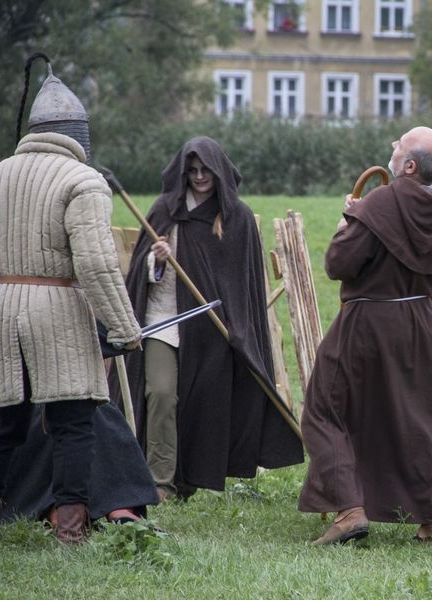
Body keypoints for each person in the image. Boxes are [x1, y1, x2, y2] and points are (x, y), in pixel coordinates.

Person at [0, 56, 142, 544]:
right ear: (78, 134)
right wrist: (124, 327)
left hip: (2, 309)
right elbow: (97, 264)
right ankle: (70, 532)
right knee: (73, 423)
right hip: (58, 309)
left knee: (5, 421)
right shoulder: (82, 181)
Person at [298, 126, 432, 545]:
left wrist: (347, 222)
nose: (392, 146)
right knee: (413, 417)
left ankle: (350, 510)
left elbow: (339, 263)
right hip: (417, 321)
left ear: (409, 166)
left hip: (368, 320)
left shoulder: (382, 201)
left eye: (400, 145)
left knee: (323, 407)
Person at [115, 136, 303, 502]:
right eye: (193, 171)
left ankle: (188, 480)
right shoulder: (164, 212)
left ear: (219, 172)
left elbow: (243, 282)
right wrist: (155, 260)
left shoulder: (238, 218)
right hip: (163, 322)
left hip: (211, 331)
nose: (200, 177)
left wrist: (241, 328)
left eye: (206, 171)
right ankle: (161, 482)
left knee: (203, 403)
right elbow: (139, 273)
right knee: (162, 394)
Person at [0, 349, 159, 526]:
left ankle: (104, 508)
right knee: (72, 419)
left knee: (90, 413)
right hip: (19, 455)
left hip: (71, 430)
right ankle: (109, 506)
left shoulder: (66, 351)